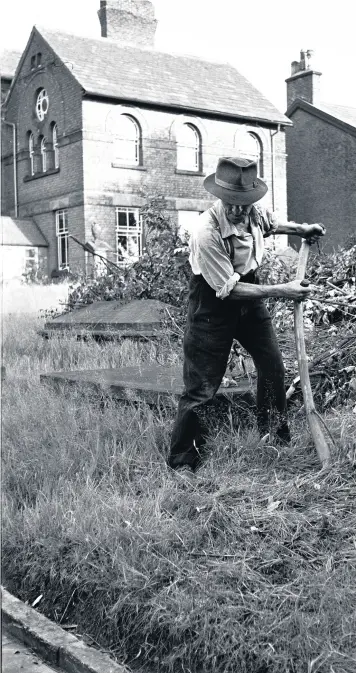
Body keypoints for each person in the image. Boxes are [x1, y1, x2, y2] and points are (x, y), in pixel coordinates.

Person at [168, 157, 325, 474]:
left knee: (273, 368)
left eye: (245, 204)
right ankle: (183, 462)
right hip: (213, 304)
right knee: (202, 388)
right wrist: (284, 290)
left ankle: (274, 440)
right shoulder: (206, 232)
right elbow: (228, 289)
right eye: (233, 204)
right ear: (220, 196)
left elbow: (271, 225)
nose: (239, 210)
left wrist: (301, 229)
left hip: (249, 298)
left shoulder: (253, 212)